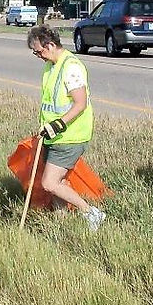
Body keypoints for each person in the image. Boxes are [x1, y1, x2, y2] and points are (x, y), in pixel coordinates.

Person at [27, 24, 106, 230]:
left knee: (49, 183)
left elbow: (80, 103)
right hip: (53, 136)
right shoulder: (51, 65)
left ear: (51, 45)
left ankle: (91, 213)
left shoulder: (71, 67)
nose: (38, 56)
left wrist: (58, 124)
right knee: (58, 183)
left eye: (39, 51)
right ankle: (61, 223)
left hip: (70, 136)